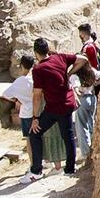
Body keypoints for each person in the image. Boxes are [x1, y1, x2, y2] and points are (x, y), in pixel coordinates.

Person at [26, 36, 81, 180]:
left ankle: (36, 170)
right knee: (68, 136)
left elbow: (37, 95)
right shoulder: (60, 58)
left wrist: (35, 117)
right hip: (67, 104)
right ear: (48, 49)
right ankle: (70, 168)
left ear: (36, 53)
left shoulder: (38, 69)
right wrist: (69, 73)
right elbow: (83, 59)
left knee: (34, 133)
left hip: (53, 107)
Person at [73, 22, 100, 159]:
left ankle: (86, 152)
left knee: (82, 125)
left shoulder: (87, 48)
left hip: (84, 92)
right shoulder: (95, 45)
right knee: (91, 121)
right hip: (93, 90)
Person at [0, 53, 35, 131]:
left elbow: (5, 94)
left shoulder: (18, 82)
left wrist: (16, 100)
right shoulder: (35, 79)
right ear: (33, 65)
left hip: (26, 113)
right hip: (37, 111)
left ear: (21, 65)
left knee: (28, 136)